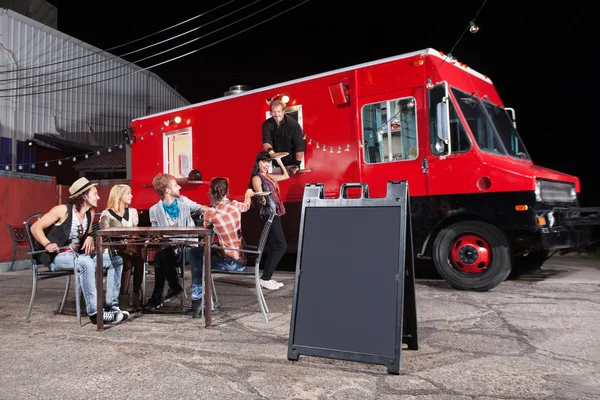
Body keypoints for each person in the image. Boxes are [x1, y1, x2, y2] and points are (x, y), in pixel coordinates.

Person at [30, 177, 126, 325]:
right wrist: (47, 243)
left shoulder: (90, 213)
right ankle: (95, 313)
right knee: (86, 262)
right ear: (84, 196)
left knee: (116, 260)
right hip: (57, 257)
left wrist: (88, 237)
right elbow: (35, 227)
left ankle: (111, 305)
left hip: (78, 256)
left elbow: (86, 232)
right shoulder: (62, 210)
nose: (98, 197)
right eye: (95, 193)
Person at [188, 177, 255, 317]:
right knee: (202, 256)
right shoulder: (236, 205)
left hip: (229, 263)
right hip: (242, 259)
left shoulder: (211, 214)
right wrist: (248, 193)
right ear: (227, 192)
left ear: (211, 193)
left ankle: (199, 300)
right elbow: (247, 205)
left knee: (196, 254)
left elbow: (206, 235)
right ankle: (203, 302)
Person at [144, 173, 209, 310]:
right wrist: (154, 236)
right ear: (167, 190)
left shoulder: (184, 202)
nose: (179, 187)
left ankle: (162, 294)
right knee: (162, 254)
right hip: (170, 250)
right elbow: (156, 232)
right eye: (175, 185)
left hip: (188, 248)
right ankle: (171, 287)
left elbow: (200, 208)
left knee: (160, 256)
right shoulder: (154, 210)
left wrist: (217, 210)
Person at [99, 184, 144, 311]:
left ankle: (136, 298)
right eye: (128, 193)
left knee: (139, 261)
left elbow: (135, 233)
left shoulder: (133, 212)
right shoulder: (107, 213)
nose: (131, 196)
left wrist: (132, 240)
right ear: (119, 196)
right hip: (114, 250)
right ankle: (123, 299)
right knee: (127, 261)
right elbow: (104, 236)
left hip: (129, 248)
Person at [249, 151, 289, 290]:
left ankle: (267, 277)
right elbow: (260, 194)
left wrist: (279, 161)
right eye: (263, 161)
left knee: (274, 245)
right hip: (268, 213)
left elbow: (286, 175)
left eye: (268, 162)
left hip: (275, 213)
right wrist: (262, 198)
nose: (266, 164)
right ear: (258, 162)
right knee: (281, 245)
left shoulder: (269, 176)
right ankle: (265, 278)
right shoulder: (257, 177)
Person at [262, 99, 306, 174]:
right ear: (270, 113)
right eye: (274, 112)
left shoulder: (293, 125)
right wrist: (271, 151)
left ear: (283, 111)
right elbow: (266, 142)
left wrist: (297, 165)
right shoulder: (267, 124)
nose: (276, 114)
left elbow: (299, 146)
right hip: (275, 163)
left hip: (291, 162)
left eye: (279, 111)